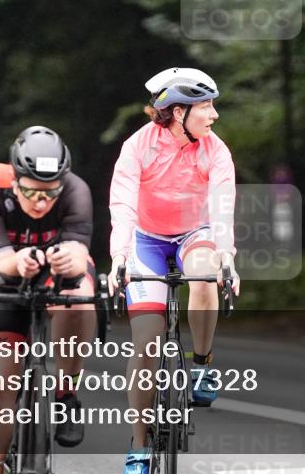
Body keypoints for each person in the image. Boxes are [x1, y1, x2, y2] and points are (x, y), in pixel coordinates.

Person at [107, 67, 241, 474]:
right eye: (206, 106)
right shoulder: (137, 147)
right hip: (146, 239)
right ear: (178, 112)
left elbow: (221, 207)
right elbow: (123, 205)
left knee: (204, 275)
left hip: (194, 234)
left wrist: (227, 255)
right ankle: (140, 445)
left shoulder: (215, 150)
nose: (214, 115)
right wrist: (119, 257)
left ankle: (201, 366)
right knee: (146, 343)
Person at [0, 126, 97, 474]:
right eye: (30, 191)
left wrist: (70, 260)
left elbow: (79, 254)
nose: (40, 202)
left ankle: (66, 393)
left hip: (56, 265)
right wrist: (17, 262)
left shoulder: (76, 189)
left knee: (80, 296)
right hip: (3, 265)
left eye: (50, 193)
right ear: (15, 178)